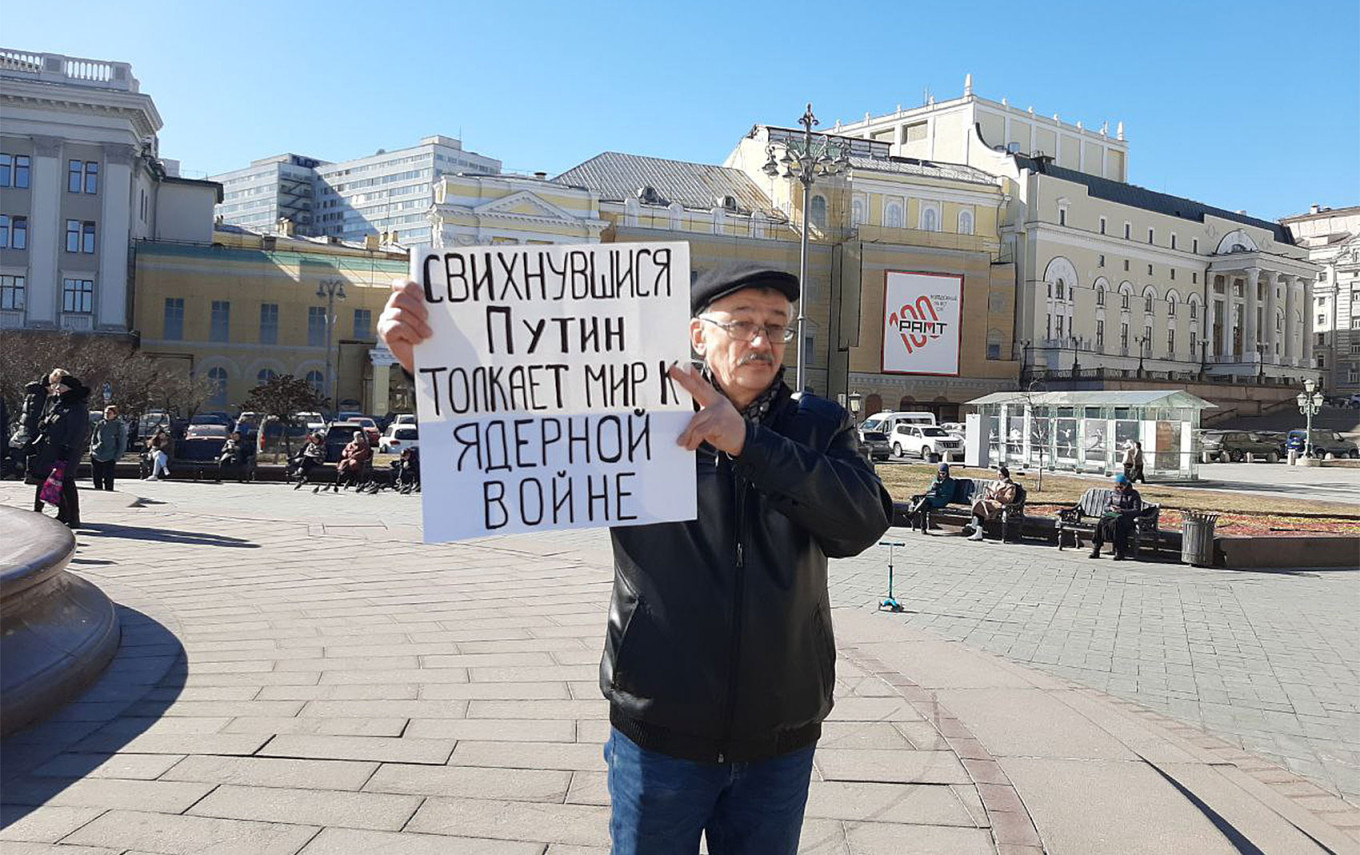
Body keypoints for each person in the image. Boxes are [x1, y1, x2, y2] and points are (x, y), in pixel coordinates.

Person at [377, 262, 893, 854]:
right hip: (658, 725)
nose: (762, 341)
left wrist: (751, 444)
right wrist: (428, 361)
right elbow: (517, 426)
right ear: (698, 335)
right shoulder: (636, 410)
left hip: (780, 731)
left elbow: (861, 523)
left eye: (778, 327)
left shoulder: (818, 424)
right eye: (743, 323)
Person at [29, 369, 89, 528]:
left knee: (67, 481)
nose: (58, 389)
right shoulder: (59, 403)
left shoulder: (76, 406)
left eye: (61, 386)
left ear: (69, 389)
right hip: (53, 447)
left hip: (66, 449)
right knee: (57, 481)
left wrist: (68, 447)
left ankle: (74, 516)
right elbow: (51, 420)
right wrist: (44, 424)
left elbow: (77, 430)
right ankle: (63, 513)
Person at [1090, 473, 1143, 560]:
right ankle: (1096, 548)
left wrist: (1121, 511)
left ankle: (1119, 551)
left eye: (1121, 487)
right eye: (1117, 487)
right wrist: (1111, 508)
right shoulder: (1113, 493)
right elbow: (1106, 507)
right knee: (1102, 522)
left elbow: (1136, 510)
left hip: (1127, 518)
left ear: (1126, 485)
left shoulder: (1133, 494)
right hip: (1113, 515)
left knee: (1117, 524)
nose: (1119, 489)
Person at [967, 465, 1018, 542]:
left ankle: (975, 528)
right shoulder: (996, 483)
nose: (999, 476)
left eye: (1000, 475)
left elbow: (1008, 499)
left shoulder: (1010, 486)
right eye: (998, 474)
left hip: (999, 505)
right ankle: (978, 531)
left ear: (1005, 474)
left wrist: (996, 496)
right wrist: (988, 494)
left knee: (979, 504)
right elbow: (990, 495)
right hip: (990, 503)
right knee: (978, 503)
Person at [906, 462, 955, 533]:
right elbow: (929, 491)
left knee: (925, 500)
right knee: (924, 506)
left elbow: (949, 494)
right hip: (932, 498)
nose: (942, 475)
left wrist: (940, 488)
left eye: (944, 473)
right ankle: (923, 528)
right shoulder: (936, 480)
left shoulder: (950, 482)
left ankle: (912, 514)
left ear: (947, 473)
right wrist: (933, 487)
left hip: (942, 500)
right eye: (940, 473)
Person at [89, 405, 127, 491]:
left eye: (109, 413)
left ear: (115, 414)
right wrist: (91, 450)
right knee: (96, 478)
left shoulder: (118, 426)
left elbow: (122, 442)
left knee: (108, 479)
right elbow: (94, 438)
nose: (107, 414)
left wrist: (117, 456)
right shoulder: (100, 424)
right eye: (105, 413)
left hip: (110, 456)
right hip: (97, 454)